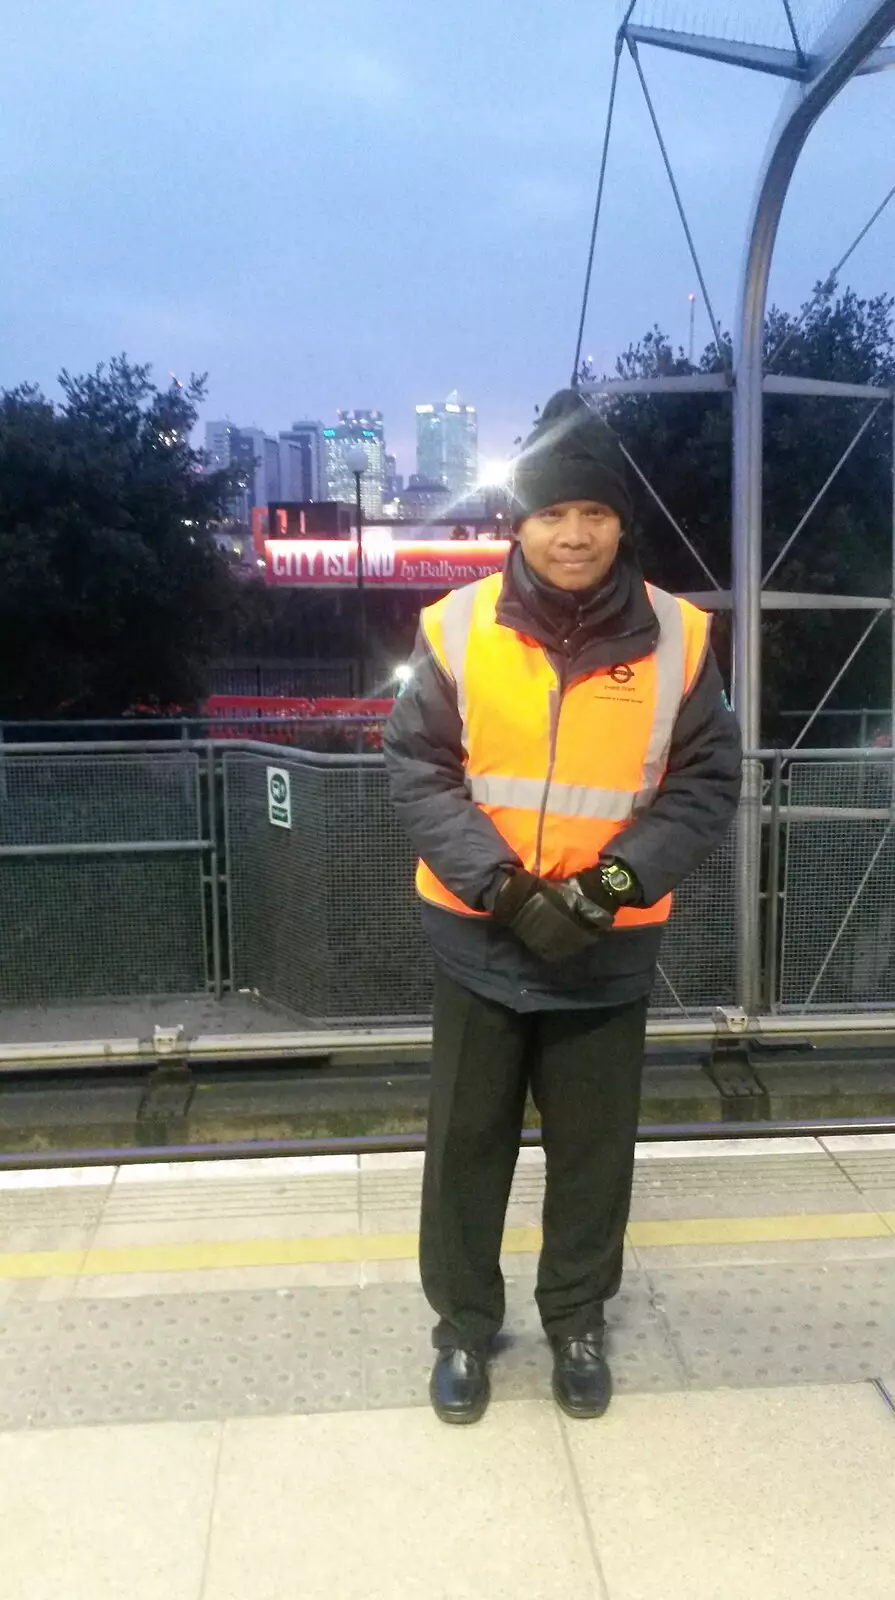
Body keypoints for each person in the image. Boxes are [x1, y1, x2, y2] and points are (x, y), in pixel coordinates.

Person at [383, 389, 742, 1425]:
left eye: (593, 511)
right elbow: (417, 771)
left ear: (620, 520)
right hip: (477, 935)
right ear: (519, 523)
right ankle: (462, 1328)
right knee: (466, 1143)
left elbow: (705, 782)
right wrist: (500, 887)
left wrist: (611, 884)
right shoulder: (456, 629)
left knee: (595, 1146)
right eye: (551, 512)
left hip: (608, 942)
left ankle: (575, 1317)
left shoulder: (678, 637)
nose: (573, 532)